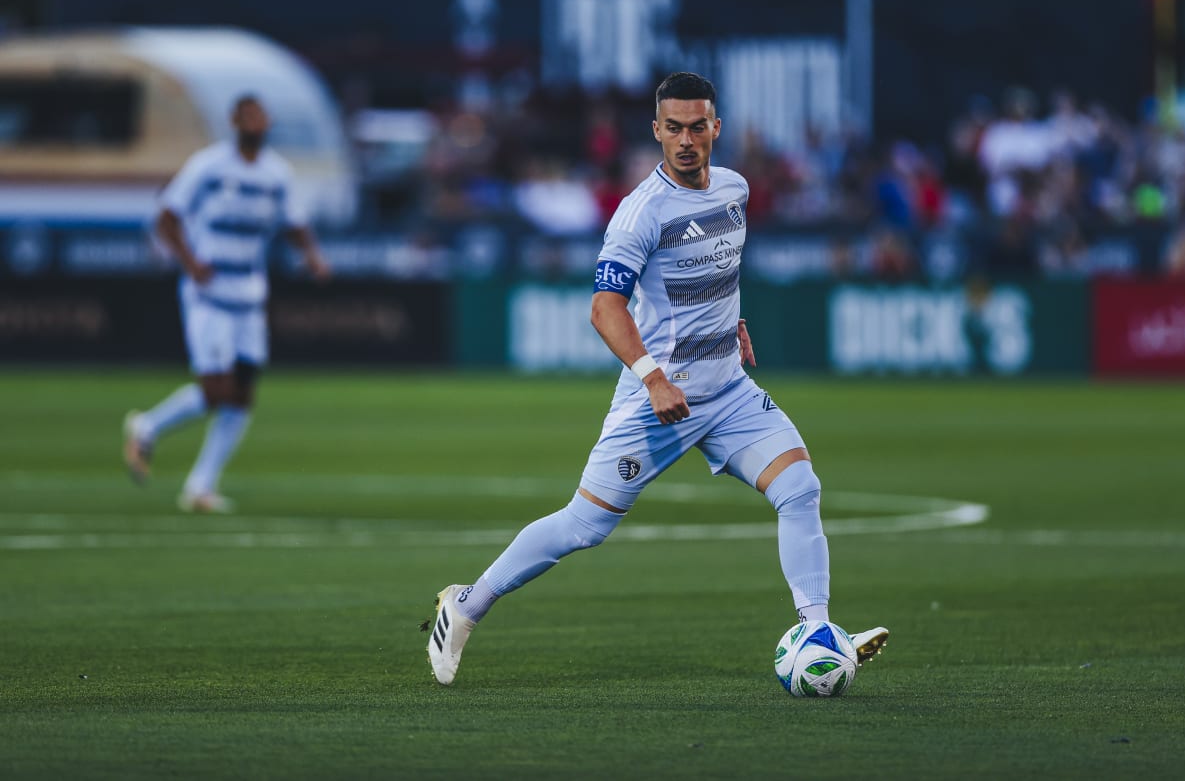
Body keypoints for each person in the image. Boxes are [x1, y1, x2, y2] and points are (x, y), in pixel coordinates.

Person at [423, 72, 888, 685]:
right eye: (674, 128)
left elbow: (712, 275)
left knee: (800, 489)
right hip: (659, 401)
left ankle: (819, 631)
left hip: (728, 392)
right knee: (583, 526)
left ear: (716, 128)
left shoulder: (735, 189)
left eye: (698, 127)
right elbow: (604, 308)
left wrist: (731, 324)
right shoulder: (640, 213)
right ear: (657, 131)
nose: (687, 140)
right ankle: (467, 603)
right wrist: (652, 378)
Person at [122, 94, 330, 513]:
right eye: (248, 114)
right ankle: (148, 425)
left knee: (242, 395)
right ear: (234, 120)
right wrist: (191, 262)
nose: (255, 121)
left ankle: (200, 486)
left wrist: (312, 256)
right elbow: (166, 216)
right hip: (209, 295)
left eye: (260, 113)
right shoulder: (209, 165)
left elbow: (295, 222)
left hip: (249, 295)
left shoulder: (277, 173)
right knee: (217, 390)